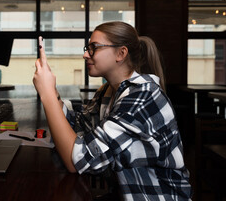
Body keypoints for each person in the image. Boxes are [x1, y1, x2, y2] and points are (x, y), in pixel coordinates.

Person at [33, 21, 192, 200]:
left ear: (121, 53)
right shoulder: (108, 92)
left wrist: (46, 94)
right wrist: (51, 89)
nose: (86, 54)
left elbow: (77, 159)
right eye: (87, 47)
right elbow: (76, 128)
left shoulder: (143, 97)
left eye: (94, 47)